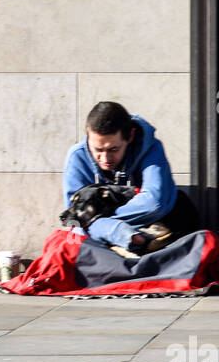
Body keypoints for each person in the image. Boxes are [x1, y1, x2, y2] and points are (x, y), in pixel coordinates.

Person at [62, 101, 199, 255]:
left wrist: (97, 221)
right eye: (98, 150)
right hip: (110, 238)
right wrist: (117, 231)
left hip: (163, 228)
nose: (105, 158)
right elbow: (74, 220)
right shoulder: (77, 157)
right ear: (88, 138)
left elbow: (154, 203)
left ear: (130, 136)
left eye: (114, 149)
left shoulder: (151, 148)